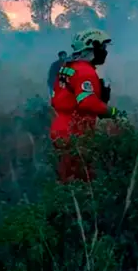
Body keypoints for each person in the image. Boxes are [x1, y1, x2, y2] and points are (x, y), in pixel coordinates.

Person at [50, 29, 123, 183]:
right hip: (76, 130)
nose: (105, 52)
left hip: (61, 127)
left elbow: (63, 96)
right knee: (82, 178)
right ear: (92, 46)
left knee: (66, 176)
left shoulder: (68, 67)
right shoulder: (85, 71)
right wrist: (113, 112)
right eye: (103, 48)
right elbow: (87, 101)